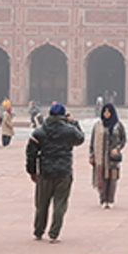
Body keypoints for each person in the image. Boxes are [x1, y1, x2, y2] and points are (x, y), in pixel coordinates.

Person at [26, 102, 85, 241]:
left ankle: (38, 231)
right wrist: (74, 122)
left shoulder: (39, 131)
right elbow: (80, 139)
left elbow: (31, 154)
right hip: (63, 172)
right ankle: (54, 234)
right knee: (60, 204)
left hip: (45, 172)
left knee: (41, 204)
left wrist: (32, 171)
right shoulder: (69, 131)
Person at [90, 102, 127, 208]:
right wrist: (92, 155)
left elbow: (123, 140)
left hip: (113, 158)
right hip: (101, 157)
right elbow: (93, 142)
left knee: (112, 179)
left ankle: (110, 200)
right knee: (102, 179)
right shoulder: (98, 125)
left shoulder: (118, 125)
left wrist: (117, 149)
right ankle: (103, 200)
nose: (106, 114)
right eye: (105, 112)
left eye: (108, 112)